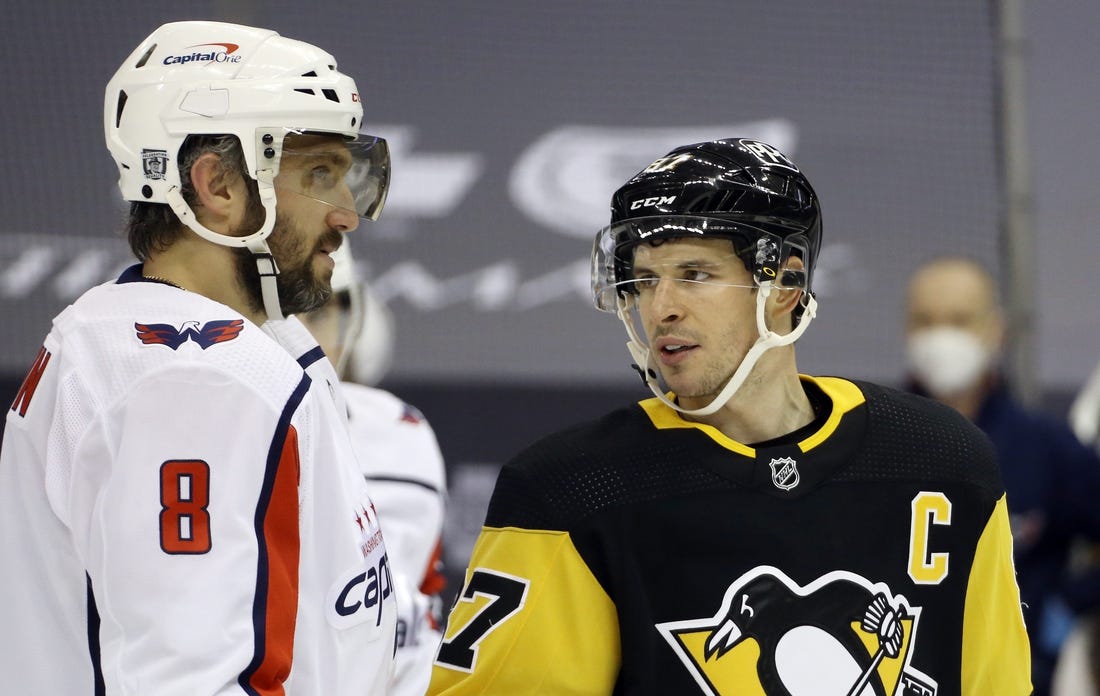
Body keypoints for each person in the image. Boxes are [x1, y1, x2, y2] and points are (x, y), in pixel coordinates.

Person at [428, 139, 1031, 695]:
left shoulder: (944, 460)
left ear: (786, 284)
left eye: (695, 275)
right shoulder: (567, 490)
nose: (660, 308)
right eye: (643, 279)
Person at [0, 21, 398, 694]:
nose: (345, 214)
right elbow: (191, 682)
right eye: (319, 173)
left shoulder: (195, 344)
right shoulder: (193, 378)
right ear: (217, 186)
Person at [904, 256, 1100, 696]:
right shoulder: (869, 440)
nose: (940, 335)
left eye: (958, 320)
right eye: (925, 320)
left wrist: (1071, 601)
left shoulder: (1047, 449)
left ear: (996, 328)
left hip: (1020, 678)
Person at [299, 244, 449, 696]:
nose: (299, 337)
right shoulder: (197, 435)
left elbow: (421, 608)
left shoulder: (402, 432)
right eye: (282, 312)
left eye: (318, 311)